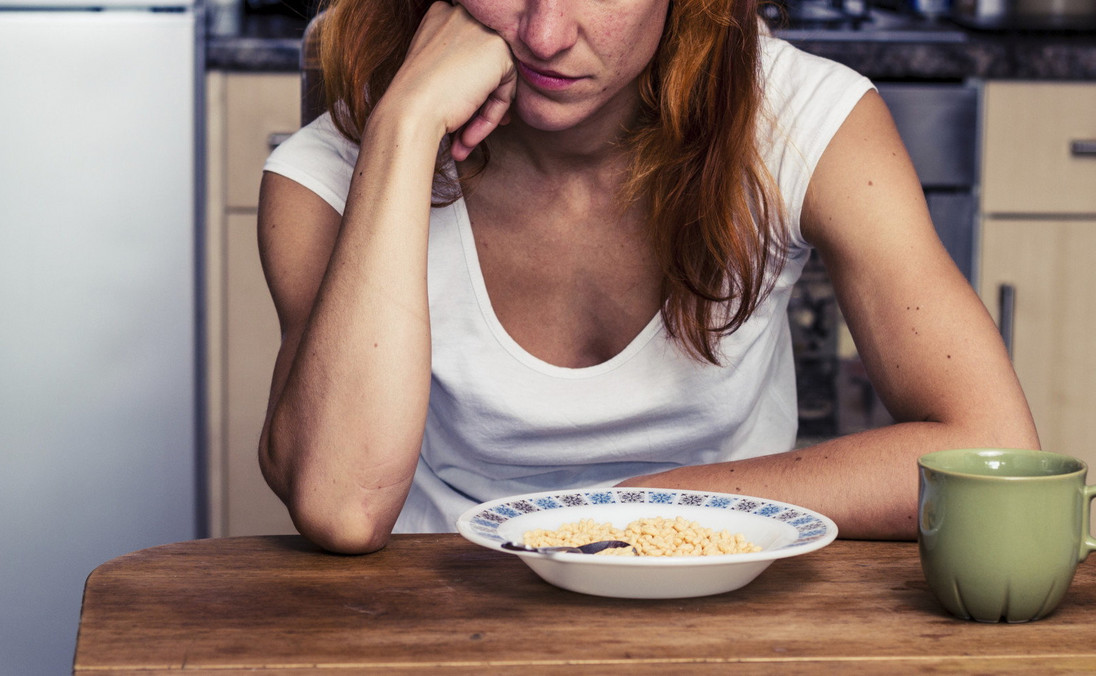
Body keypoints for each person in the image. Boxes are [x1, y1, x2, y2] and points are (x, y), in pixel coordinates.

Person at [255, 0, 1039, 554]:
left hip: (721, 585)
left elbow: (989, 446)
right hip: (439, 604)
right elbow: (342, 509)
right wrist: (403, 125)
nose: (547, 33)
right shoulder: (324, 175)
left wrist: (634, 513)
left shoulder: (801, 117)